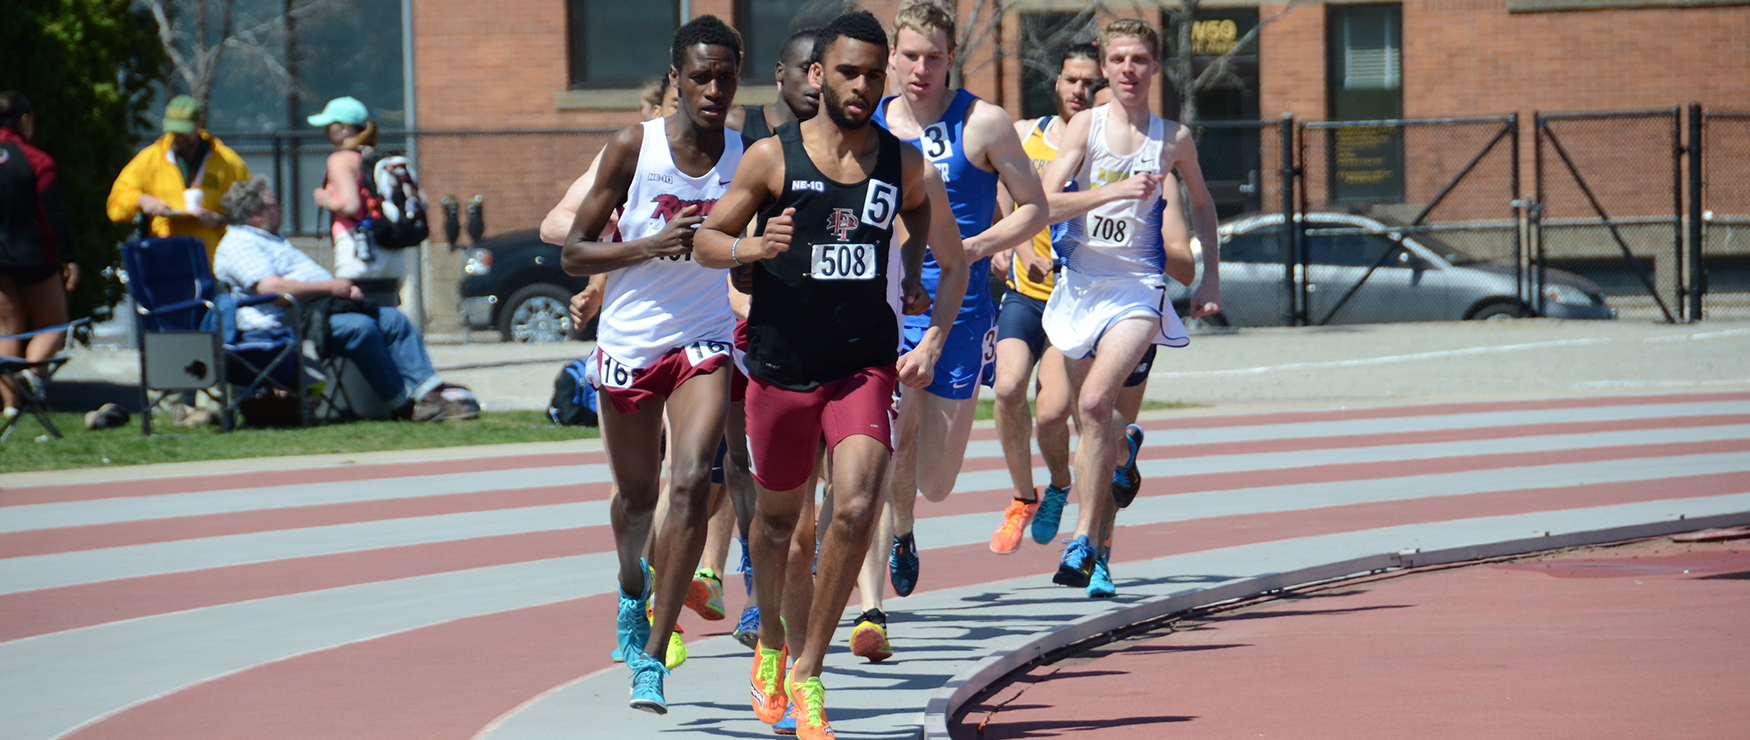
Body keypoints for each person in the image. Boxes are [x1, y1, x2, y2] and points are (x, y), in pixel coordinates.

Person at [695, 10, 966, 738]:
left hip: (863, 364)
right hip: (782, 365)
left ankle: (810, 669)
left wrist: (933, 332)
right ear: (818, 76)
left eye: (874, 75)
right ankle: (773, 649)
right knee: (780, 528)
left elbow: (951, 255)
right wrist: (750, 253)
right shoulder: (772, 159)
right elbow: (707, 239)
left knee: (854, 506)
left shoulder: (903, 163)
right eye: (850, 72)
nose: (863, 86)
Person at [848, 0, 1048, 662]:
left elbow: (1034, 207)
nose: (920, 68)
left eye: (934, 56)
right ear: (892, 57)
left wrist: (976, 244)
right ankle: (871, 607)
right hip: (881, 306)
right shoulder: (867, 122)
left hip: (959, 314)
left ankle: (909, 521)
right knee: (879, 452)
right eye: (909, 55)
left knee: (934, 477)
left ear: (951, 58)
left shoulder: (984, 122)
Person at [558, 15, 746, 715]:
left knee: (694, 480)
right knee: (639, 500)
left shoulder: (745, 154)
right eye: (701, 76)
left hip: (703, 338)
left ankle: (656, 657)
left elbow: (751, 244)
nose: (714, 89)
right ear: (676, 78)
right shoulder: (633, 150)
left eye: (726, 77)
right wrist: (650, 246)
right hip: (630, 341)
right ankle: (631, 590)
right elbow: (574, 251)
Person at [1036, 19, 1221, 598]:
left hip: (1137, 291)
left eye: (1139, 59)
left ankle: (1088, 545)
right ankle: (1127, 450)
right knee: (1090, 424)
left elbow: (1204, 206)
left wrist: (1208, 277)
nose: (1128, 70)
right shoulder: (1085, 127)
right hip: (1080, 290)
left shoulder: (1172, 139)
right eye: (1117, 59)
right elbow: (1043, 201)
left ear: (1155, 67)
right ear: (1105, 66)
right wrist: (1109, 192)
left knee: (1094, 403)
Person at [212, 177, 477, 422]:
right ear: (256, 214)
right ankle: (403, 406)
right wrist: (332, 287)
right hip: (281, 325)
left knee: (393, 318)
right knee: (360, 328)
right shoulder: (240, 242)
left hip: (315, 313)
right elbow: (271, 290)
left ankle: (430, 393)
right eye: (274, 204)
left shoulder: (271, 239)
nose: (279, 209)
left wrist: (338, 291)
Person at [985, 43, 1102, 556]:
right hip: (1025, 295)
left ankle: (1058, 484)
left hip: (1072, 303)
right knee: (1008, 388)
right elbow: (1002, 197)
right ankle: (1020, 496)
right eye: (1073, 80)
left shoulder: (1103, 147)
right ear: (1056, 82)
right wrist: (1008, 245)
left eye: (1090, 83)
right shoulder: (1025, 134)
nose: (1081, 90)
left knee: (1054, 414)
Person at [0, 92, 79, 418]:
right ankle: (32, 378)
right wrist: (69, 256)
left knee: (6, 329)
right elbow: (52, 214)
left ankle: (10, 406)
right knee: (52, 325)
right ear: (24, 119)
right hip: (34, 256)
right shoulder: (36, 160)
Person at [107, 95, 250, 263]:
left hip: (212, 261)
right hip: (163, 259)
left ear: (201, 123)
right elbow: (115, 205)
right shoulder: (151, 159)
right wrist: (141, 200)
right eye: (175, 131)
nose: (180, 137)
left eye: (185, 130)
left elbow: (252, 212)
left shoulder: (227, 162)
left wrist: (219, 220)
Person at [308, 96, 408, 281]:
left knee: (354, 308)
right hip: (393, 252)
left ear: (344, 128)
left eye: (329, 126)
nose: (325, 132)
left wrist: (326, 200)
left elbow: (350, 206)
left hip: (359, 249)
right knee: (387, 307)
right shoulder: (380, 159)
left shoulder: (341, 159)